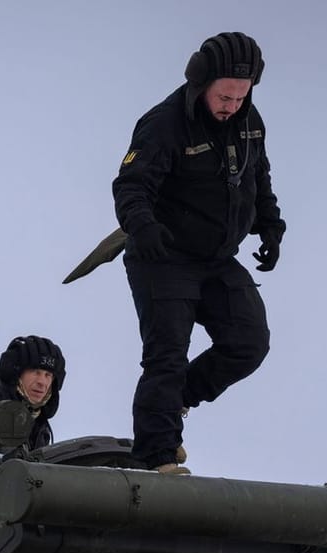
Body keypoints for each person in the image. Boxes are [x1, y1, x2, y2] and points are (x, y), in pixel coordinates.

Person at [113, 30, 283, 475]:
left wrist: (270, 224)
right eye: (224, 95)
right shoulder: (165, 123)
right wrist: (143, 227)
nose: (232, 104)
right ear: (201, 83)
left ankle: (172, 403)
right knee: (166, 356)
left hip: (216, 259)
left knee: (249, 342)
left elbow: (257, 174)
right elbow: (131, 185)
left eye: (241, 95)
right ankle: (156, 457)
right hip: (164, 257)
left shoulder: (249, 120)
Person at [0, 335, 65, 454]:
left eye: (48, 375)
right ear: (16, 373)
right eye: (35, 372)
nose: (42, 382)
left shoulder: (37, 418)